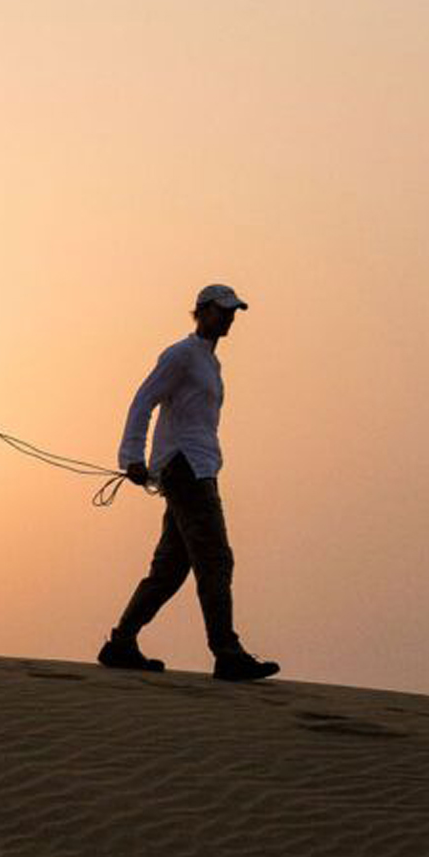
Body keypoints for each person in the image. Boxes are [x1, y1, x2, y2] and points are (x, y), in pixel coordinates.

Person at [98, 283, 280, 682]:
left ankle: (121, 643)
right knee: (216, 559)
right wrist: (131, 457)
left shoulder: (210, 363)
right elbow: (143, 400)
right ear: (201, 311)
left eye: (232, 312)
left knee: (169, 569)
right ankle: (226, 652)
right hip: (186, 471)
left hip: (199, 468)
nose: (229, 317)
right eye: (221, 311)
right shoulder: (181, 355)